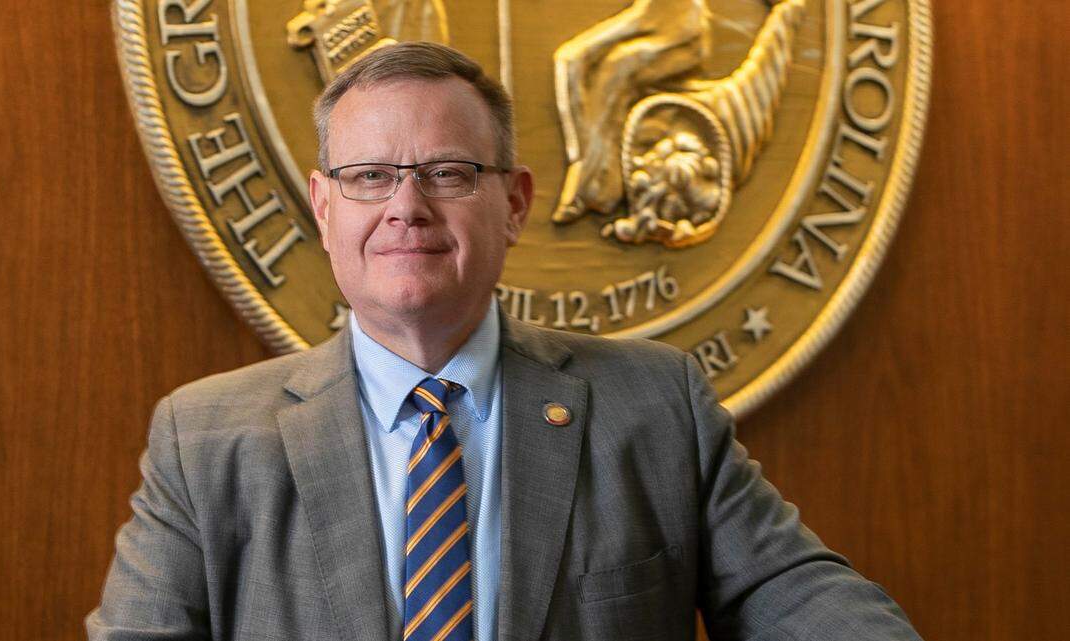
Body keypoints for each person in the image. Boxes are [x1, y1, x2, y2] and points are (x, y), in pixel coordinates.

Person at [87, 42, 920, 641]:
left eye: (447, 173)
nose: (406, 206)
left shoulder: (655, 405)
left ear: (515, 203)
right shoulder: (201, 441)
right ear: (324, 205)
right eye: (370, 176)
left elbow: (793, 592)